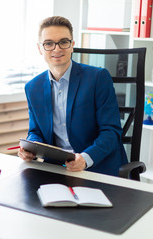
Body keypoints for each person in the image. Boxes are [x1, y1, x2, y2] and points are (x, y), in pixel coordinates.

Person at [18, 16, 128, 176]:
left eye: (63, 42)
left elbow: (111, 131)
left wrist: (84, 158)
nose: (56, 49)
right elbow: (36, 131)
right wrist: (30, 148)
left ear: (72, 46)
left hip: (97, 167)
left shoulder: (98, 78)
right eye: (48, 43)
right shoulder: (32, 87)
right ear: (40, 48)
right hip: (55, 169)